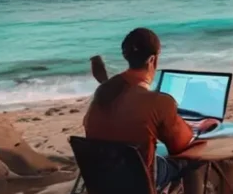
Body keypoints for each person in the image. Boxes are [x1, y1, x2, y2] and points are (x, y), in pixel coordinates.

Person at [83, 28, 218, 193]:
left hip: (103, 180)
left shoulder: (103, 92)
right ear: (152, 59)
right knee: (192, 159)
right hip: (139, 184)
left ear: (126, 56)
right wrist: (199, 127)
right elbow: (181, 146)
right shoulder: (159, 102)